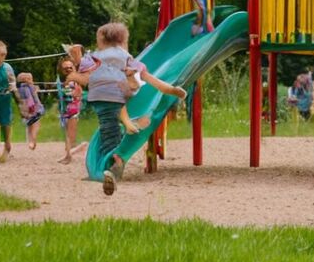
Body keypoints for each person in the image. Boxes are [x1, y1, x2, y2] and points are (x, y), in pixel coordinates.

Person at [70, 23, 188, 196]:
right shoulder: (126, 57)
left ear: (101, 40)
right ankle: (115, 159)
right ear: (123, 40)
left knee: (108, 129)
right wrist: (169, 90)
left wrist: (76, 57)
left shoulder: (94, 56)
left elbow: (84, 74)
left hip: (101, 98)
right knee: (112, 129)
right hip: (119, 96)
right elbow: (147, 76)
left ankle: (110, 165)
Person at [56, 57, 87, 164]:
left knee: (70, 134)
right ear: (61, 70)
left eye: (70, 67)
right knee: (66, 134)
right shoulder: (65, 81)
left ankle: (71, 153)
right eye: (65, 68)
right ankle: (70, 153)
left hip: (73, 109)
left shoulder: (75, 80)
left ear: (74, 68)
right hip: (65, 110)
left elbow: (79, 93)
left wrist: (75, 94)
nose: (68, 69)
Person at [15, 72, 46, 150]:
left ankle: (30, 141)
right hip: (34, 110)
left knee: (29, 126)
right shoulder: (28, 87)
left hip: (25, 111)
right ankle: (33, 140)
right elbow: (31, 99)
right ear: (26, 80)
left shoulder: (19, 88)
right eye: (30, 79)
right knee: (36, 125)